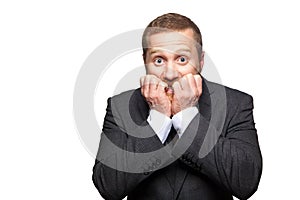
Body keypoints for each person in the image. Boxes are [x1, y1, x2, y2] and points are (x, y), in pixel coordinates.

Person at [92, 13, 262, 200]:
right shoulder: (120, 107)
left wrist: (187, 115)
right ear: (145, 62)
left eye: (182, 59)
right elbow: (108, 186)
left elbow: (246, 183)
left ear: (201, 61)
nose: (170, 74)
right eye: (159, 60)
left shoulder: (235, 104)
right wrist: (158, 119)